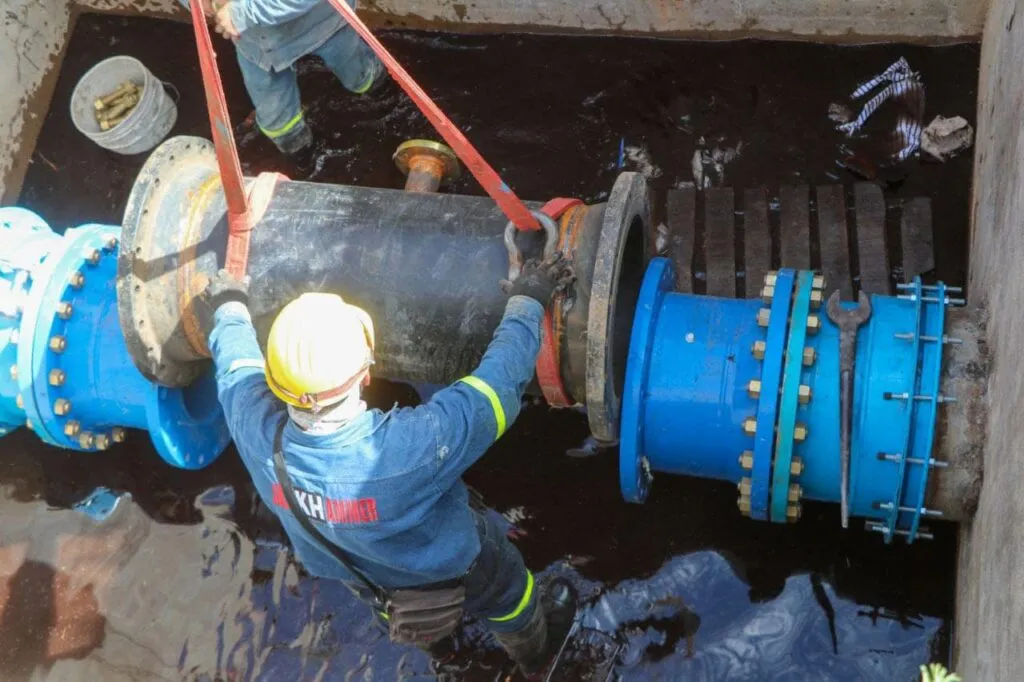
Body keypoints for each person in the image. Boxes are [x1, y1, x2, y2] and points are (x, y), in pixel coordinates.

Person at [200, 254, 578, 678]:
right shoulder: (411, 448)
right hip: (463, 565)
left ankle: (448, 657)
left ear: (274, 380)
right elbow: (496, 390)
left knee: (402, 615)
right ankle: (536, 657)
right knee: (511, 595)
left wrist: (228, 305)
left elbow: (235, 368)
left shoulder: (255, 432)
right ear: (366, 372)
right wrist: (530, 299)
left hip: (370, 581)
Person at [181, 0, 388, 174]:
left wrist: (242, 13)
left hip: (324, 23)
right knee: (277, 118)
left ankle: (380, 91)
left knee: (358, 71)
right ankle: (301, 154)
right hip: (258, 46)